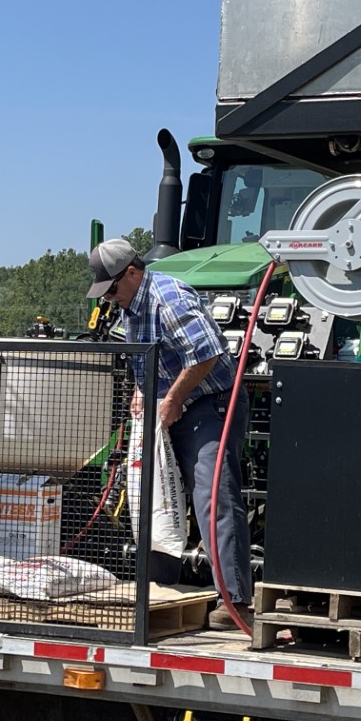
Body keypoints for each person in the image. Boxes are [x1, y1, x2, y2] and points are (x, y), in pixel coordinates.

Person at [87, 237, 252, 625]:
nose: (109, 298)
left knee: (213, 497)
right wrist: (142, 390)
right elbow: (153, 356)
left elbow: (206, 353)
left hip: (212, 404)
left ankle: (235, 603)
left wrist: (173, 398)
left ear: (132, 272)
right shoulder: (131, 305)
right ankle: (159, 594)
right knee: (153, 494)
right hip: (170, 407)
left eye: (111, 288)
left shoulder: (168, 297)